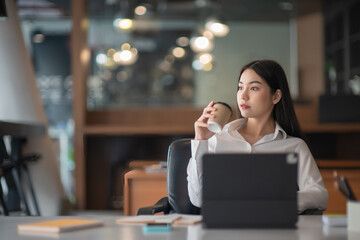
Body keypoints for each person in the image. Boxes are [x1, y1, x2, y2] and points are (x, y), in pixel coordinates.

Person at [187, 59, 328, 213]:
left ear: (276, 96)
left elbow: (319, 195)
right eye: (240, 87)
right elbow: (198, 199)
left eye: (254, 88)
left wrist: (277, 201)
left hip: (274, 230)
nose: (243, 96)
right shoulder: (218, 140)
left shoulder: (294, 146)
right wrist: (201, 140)